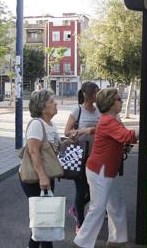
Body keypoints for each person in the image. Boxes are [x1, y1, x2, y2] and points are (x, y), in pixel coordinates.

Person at [72, 88, 137, 248]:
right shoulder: (109, 120)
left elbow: (118, 135)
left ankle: (117, 240)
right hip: (100, 170)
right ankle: (81, 243)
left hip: (106, 170)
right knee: (98, 208)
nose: (121, 101)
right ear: (110, 103)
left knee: (116, 204)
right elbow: (126, 136)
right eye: (118, 99)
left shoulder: (110, 119)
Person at [21, 89, 76, 248]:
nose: (55, 103)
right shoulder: (37, 125)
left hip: (46, 175)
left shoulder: (50, 124)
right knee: (42, 219)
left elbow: (53, 150)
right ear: (42, 107)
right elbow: (33, 152)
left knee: (45, 218)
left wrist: (67, 142)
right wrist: (43, 177)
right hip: (35, 178)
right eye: (52, 101)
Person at [64, 82, 100, 233]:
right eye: (95, 93)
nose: (97, 96)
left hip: (96, 156)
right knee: (81, 190)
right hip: (79, 155)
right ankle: (80, 222)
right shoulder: (77, 110)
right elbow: (67, 131)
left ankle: (74, 209)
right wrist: (83, 132)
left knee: (94, 191)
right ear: (87, 94)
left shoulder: (99, 110)